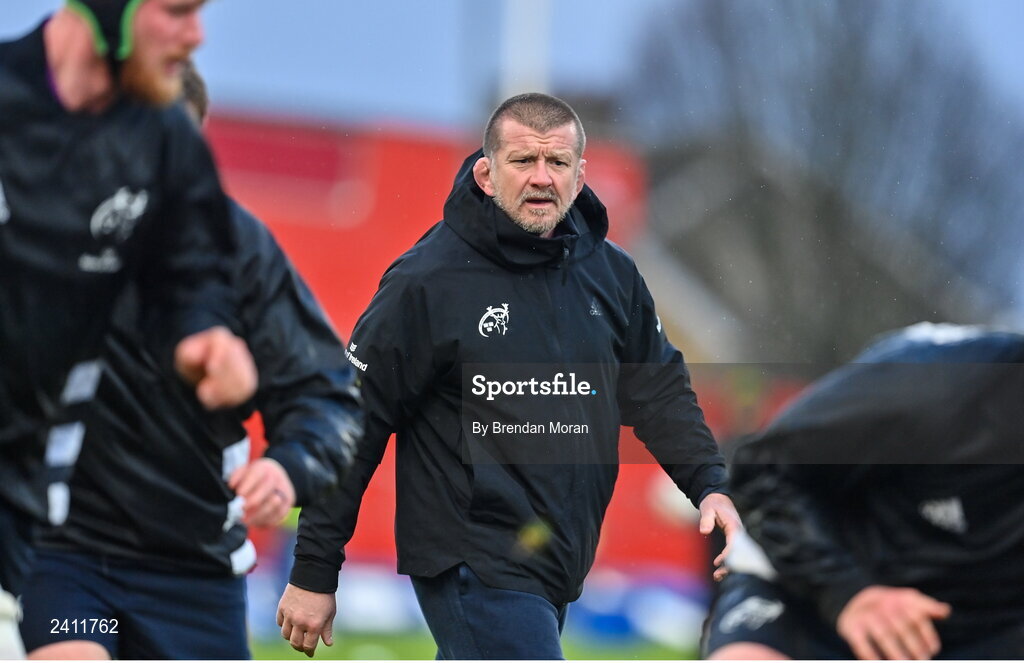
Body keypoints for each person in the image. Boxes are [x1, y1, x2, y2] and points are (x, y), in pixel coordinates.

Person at [276, 92, 741, 659]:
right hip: (471, 556)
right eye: (524, 161)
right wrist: (314, 569)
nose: (542, 178)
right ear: (487, 173)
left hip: (556, 559)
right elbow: (355, 422)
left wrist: (709, 483)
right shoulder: (427, 281)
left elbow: (658, 389)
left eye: (558, 163)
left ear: (580, 174)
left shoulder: (613, 275)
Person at [14, 60, 364, 660]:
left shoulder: (241, 252)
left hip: (192, 566)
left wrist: (287, 468)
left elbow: (324, 394)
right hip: (59, 551)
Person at [1, 0, 257, 655]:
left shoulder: (169, 151)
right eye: (177, 10)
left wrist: (207, 331)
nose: (196, 34)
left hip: (52, 530)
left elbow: (195, 273)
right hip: (64, 555)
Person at [703, 323, 1024, 660]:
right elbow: (765, 469)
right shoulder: (934, 383)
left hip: (984, 629)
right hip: (816, 586)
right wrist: (847, 591)